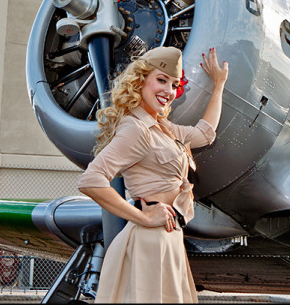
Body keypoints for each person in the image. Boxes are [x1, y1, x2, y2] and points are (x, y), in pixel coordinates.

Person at [78, 45, 228, 303]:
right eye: (161, 80)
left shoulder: (164, 128)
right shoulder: (136, 129)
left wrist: (219, 85)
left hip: (169, 238)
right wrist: (143, 218)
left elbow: (205, 133)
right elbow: (91, 180)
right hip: (150, 241)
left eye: (174, 84)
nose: (168, 92)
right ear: (140, 80)